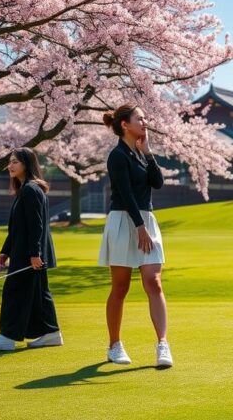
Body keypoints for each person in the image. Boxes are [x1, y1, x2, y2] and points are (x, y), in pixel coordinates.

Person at [98, 104, 172, 368]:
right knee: (121, 286)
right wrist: (138, 226)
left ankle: (163, 344)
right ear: (125, 125)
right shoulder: (117, 156)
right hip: (123, 221)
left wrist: (149, 152)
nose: (145, 122)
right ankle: (114, 345)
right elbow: (126, 194)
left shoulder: (141, 154)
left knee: (154, 281)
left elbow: (158, 183)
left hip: (146, 220)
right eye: (140, 118)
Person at [0, 148, 60, 350]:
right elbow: (18, 226)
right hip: (27, 252)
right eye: (10, 162)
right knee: (40, 293)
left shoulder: (30, 190)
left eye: (15, 161)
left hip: (28, 254)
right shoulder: (27, 189)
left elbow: (36, 225)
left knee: (14, 291)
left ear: (27, 164)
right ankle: (51, 333)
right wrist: (5, 250)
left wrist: (35, 253)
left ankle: (7, 336)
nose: (10, 165)